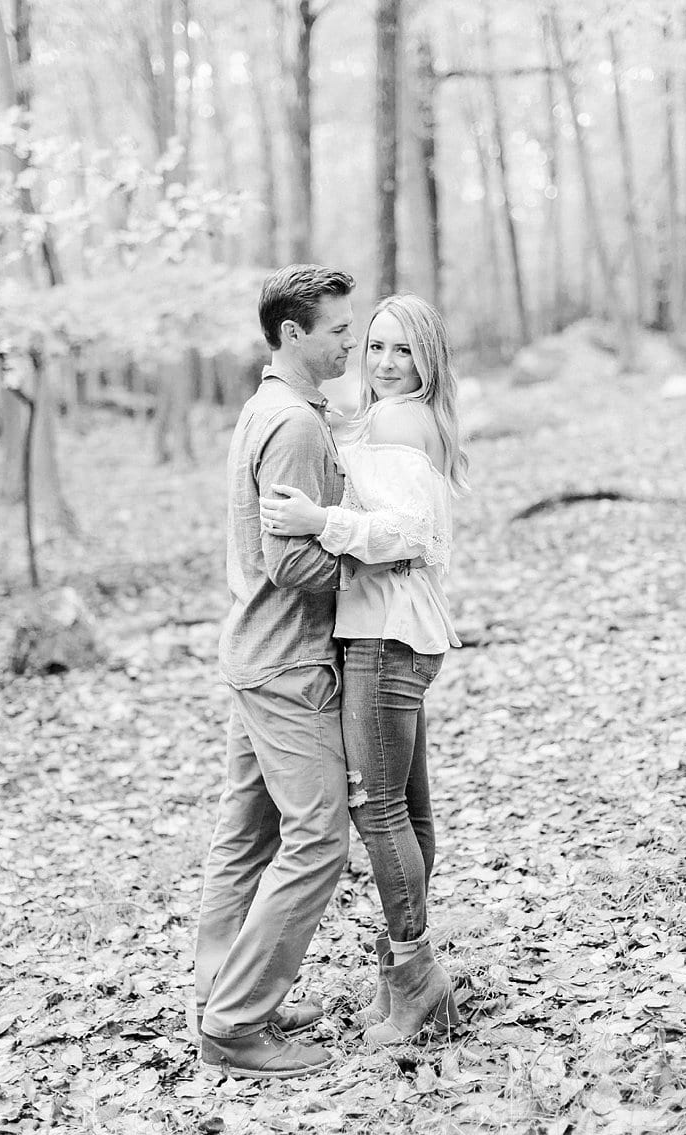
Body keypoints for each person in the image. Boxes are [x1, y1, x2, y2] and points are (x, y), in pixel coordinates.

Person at [259, 293, 468, 1044]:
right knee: (407, 806)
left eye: (400, 351)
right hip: (407, 630)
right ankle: (411, 975)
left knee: (376, 807)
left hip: (383, 633)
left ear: (425, 359)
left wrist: (322, 522)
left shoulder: (395, 419)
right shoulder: (408, 417)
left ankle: (414, 973)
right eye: (374, 346)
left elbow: (411, 532)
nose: (382, 362)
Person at [195, 264, 360, 1079]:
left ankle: (221, 992)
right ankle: (234, 1022)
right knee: (319, 835)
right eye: (336, 329)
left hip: (255, 652)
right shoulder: (292, 422)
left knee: (246, 838)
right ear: (292, 334)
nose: (350, 340)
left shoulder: (270, 408)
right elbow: (292, 563)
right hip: (288, 660)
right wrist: (378, 561)